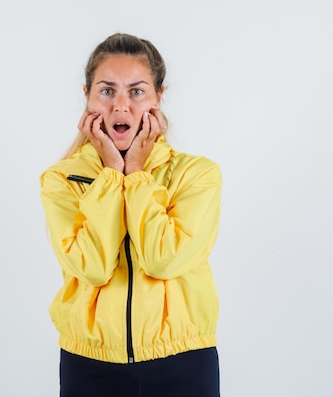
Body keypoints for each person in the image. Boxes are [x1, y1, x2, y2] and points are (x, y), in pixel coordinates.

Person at [40, 32, 222, 397]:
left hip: (183, 361)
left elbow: (163, 260)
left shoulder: (197, 174)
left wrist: (136, 175)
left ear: (159, 98)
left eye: (136, 91)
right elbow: (92, 267)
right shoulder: (61, 179)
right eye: (107, 91)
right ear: (87, 97)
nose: (121, 106)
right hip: (88, 366)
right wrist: (110, 177)